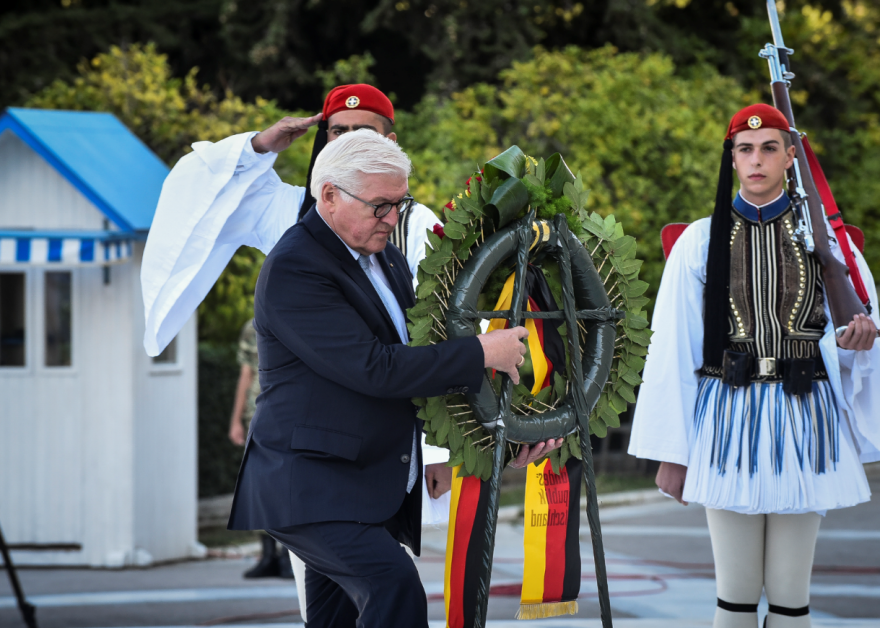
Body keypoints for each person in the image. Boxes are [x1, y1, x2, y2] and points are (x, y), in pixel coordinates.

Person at [227, 129, 558, 627]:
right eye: (380, 206)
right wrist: (481, 351)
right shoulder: (296, 266)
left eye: (399, 205)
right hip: (311, 487)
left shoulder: (386, 256)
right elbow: (376, 369)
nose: (392, 219)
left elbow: (419, 365)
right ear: (330, 196)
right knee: (395, 588)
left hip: (356, 486)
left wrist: (499, 442)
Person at [628, 103, 880, 628]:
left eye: (769, 148)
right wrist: (671, 452)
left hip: (806, 419)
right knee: (736, 603)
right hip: (727, 420)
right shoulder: (699, 240)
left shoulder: (828, 241)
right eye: (745, 150)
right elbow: (672, 347)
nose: (757, 160)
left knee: (792, 603)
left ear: (791, 156)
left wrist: (860, 342)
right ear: (733, 159)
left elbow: (861, 338)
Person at [229, 318, 293, 579]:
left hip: (286, 414)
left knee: (287, 486)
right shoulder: (251, 327)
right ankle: (267, 555)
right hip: (255, 416)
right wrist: (235, 419)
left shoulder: (298, 315)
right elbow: (246, 373)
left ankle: (291, 557)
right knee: (260, 488)